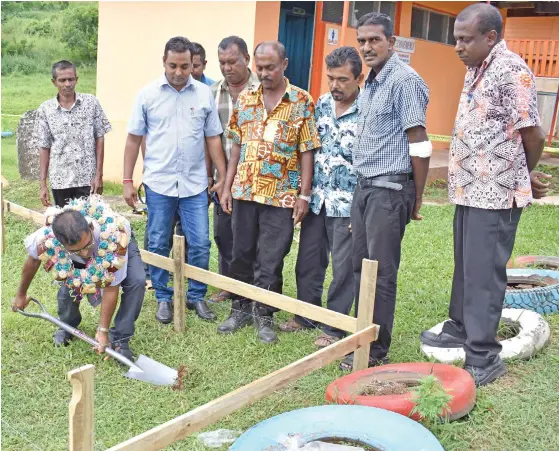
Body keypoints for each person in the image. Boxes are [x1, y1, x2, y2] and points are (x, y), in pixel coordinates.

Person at [419, 4, 549, 386]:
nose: (457, 46)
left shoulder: (511, 71)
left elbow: (534, 134)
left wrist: (524, 173)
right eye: (455, 38)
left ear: (490, 37)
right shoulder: (477, 68)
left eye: (465, 39)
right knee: (465, 264)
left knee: (483, 273)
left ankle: (483, 355)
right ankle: (459, 326)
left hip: (496, 193)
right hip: (469, 188)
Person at [340, 12, 432, 371]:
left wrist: (417, 196)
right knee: (360, 268)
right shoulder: (373, 83)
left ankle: (375, 351)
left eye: (374, 40)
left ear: (391, 42)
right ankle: (361, 337)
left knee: (380, 273)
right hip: (365, 189)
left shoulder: (403, 81)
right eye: (361, 40)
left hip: (390, 191)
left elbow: (420, 143)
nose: (366, 47)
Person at [218, 41, 321, 343]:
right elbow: (236, 145)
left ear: (284, 64)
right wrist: (227, 186)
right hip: (245, 190)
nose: (263, 73)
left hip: (282, 194)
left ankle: (264, 314)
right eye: (260, 68)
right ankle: (239, 308)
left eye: (270, 67)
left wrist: (304, 194)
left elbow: (307, 151)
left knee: (272, 256)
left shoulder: (301, 100)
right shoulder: (246, 98)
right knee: (241, 252)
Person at [123, 36, 227, 324]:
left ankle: (196, 295)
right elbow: (133, 140)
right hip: (159, 184)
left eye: (185, 66)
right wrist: (127, 180)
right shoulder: (147, 95)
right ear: (164, 62)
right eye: (173, 65)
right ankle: (163, 298)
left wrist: (220, 177)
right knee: (157, 242)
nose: (179, 72)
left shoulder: (204, 94)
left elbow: (213, 139)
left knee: (200, 243)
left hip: (194, 185)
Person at [279, 47, 363, 348]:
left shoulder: (369, 111)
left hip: (348, 204)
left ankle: (335, 327)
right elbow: (308, 150)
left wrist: (361, 208)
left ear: (359, 78)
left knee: (343, 268)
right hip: (317, 199)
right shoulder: (322, 105)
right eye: (331, 78)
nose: (335, 85)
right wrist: (303, 191)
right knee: (309, 261)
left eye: (343, 79)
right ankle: (306, 315)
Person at [11, 197, 144, 360]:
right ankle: (67, 325)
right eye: (77, 250)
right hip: (76, 248)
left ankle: (120, 339)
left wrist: (103, 330)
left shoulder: (115, 237)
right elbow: (32, 261)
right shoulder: (48, 237)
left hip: (115, 241)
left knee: (136, 281)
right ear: (59, 242)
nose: (85, 254)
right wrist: (20, 295)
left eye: (86, 246)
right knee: (71, 278)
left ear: (89, 227)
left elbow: (111, 286)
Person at [207, 36, 260, 304]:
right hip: (221, 180)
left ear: (246, 59)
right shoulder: (213, 93)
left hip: (256, 181)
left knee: (252, 237)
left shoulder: (263, 90)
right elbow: (209, 139)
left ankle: (252, 288)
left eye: (232, 61)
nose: (227, 68)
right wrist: (212, 178)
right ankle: (228, 284)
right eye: (222, 63)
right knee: (224, 234)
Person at [35, 60, 111, 208]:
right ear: (54, 82)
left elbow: (100, 137)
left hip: (87, 179)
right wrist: (43, 184)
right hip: (60, 180)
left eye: (71, 79)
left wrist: (98, 175)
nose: (67, 84)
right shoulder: (45, 109)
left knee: (88, 224)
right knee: (64, 225)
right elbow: (44, 147)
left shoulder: (91, 103)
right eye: (62, 80)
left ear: (77, 79)